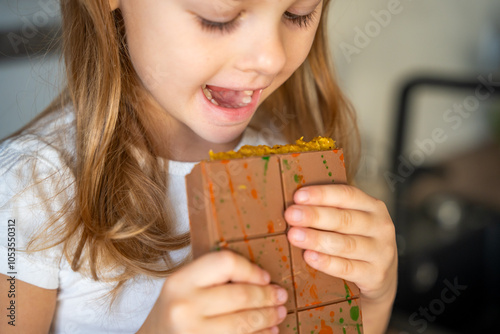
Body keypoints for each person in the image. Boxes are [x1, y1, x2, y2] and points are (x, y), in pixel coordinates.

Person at [0, 0, 397, 333]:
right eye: (218, 16)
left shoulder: (289, 155)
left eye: (297, 13)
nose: (270, 58)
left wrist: (374, 300)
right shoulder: (26, 192)